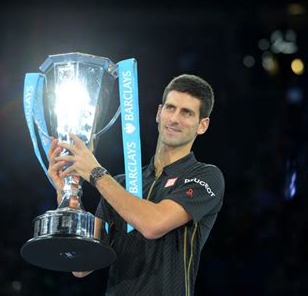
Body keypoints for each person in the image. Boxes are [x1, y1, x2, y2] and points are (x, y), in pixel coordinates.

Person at [47, 74, 225, 295]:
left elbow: (153, 224)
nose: (175, 118)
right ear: (159, 113)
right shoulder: (120, 185)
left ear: (202, 125)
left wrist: (95, 172)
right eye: (170, 108)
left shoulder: (205, 176)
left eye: (187, 113)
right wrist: (67, 194)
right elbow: (82, 266)